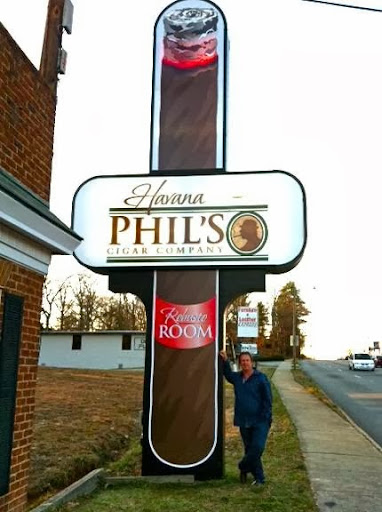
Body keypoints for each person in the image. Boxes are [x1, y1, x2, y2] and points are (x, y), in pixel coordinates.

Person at [220, 350, 272, 485]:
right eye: (242, 361)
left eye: (247, 360)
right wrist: (225, 361)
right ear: (239, 363)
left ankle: (243, 466)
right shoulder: (237, 378)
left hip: (260, 420)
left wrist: (266, 417)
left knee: (257, 448)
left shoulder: (261, 378)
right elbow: (228, 374)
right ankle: (259, 478)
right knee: (249, 449)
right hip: (244, 420)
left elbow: (268, 399)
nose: (245, 363)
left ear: (252, 362)